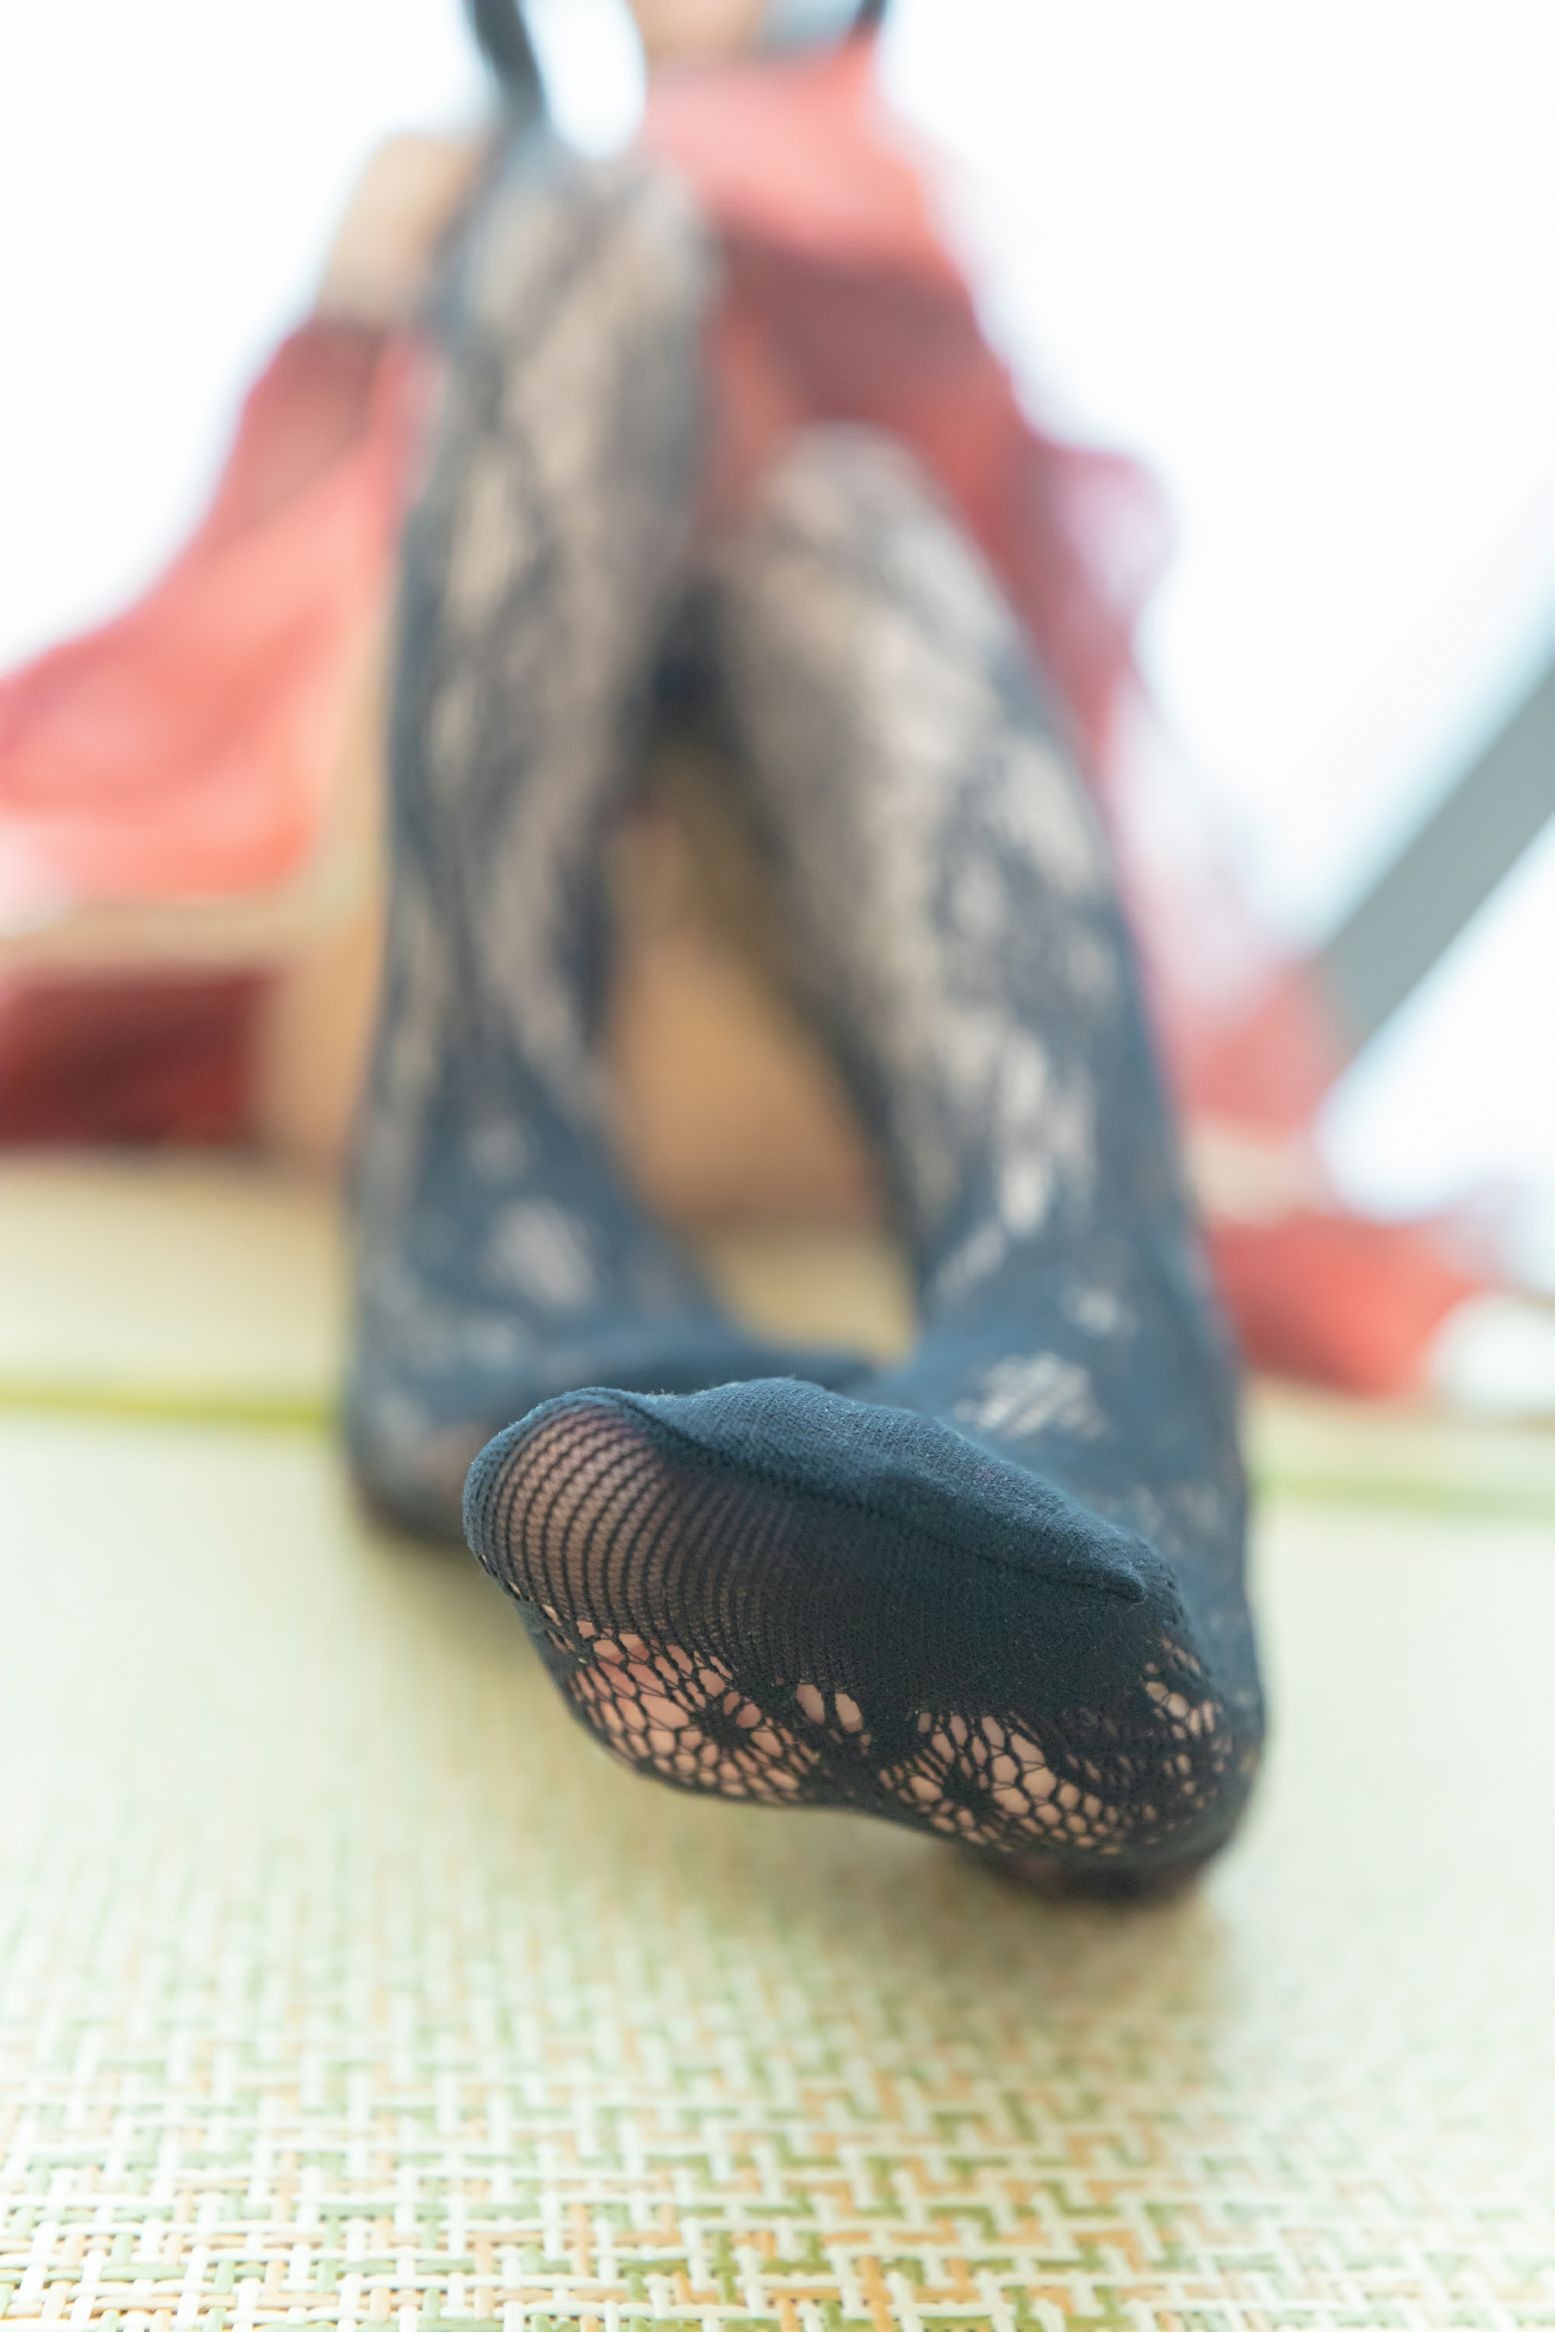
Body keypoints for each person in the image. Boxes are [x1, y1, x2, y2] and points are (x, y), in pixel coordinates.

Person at [344, 0, 1265, 1894]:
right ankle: (493, 1171)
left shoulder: (885, 184)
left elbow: (999, 643)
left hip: (813, 972)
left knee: (849, 512)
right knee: (587, 237)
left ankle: (1085, 1355)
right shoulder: (467, 178)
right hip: (478, 913)